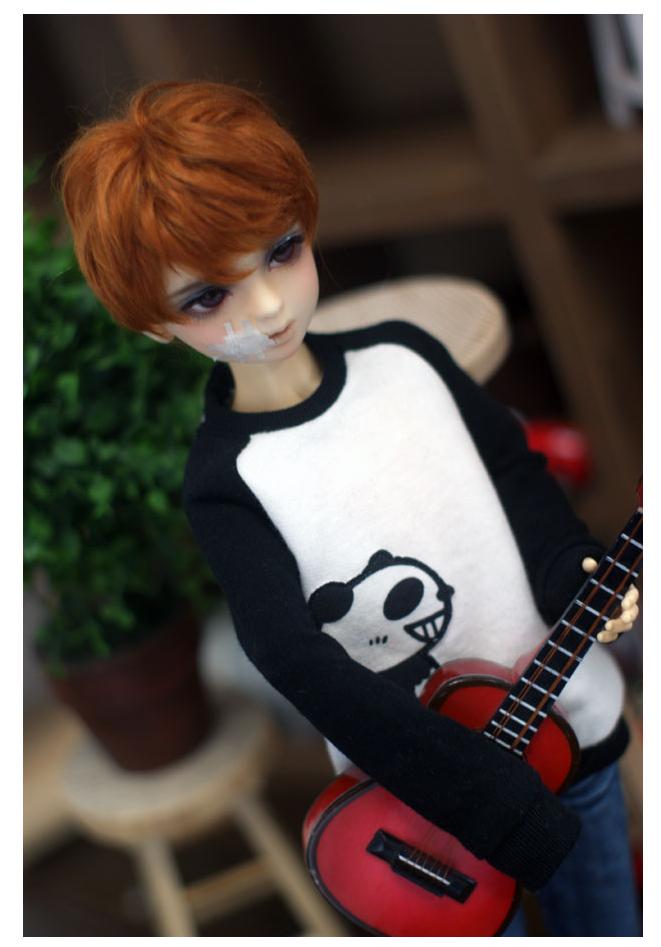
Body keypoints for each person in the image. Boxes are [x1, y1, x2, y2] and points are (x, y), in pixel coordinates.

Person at [56, 80, 640, 936]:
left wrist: (566, 569)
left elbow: (515, 474)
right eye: (207, 297)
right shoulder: (229, 482)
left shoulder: (408, 357)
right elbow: (303, 666)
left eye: (281, 250)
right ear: (150, 324)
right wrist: (475, 795)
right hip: (428, 819)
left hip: (566, 719)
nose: (266, 305)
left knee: (610, 916)